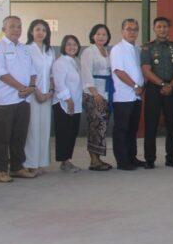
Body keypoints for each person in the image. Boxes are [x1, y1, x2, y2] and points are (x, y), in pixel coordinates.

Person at [0, 16, 37, 183]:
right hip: (5, 101)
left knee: (19, 136)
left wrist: (31, 87)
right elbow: (0, 73)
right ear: (4, 29)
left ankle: (17, 167)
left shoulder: (24, 48)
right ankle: (0, 170)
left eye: (19, 26)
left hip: (24, 100)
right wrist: (22, 88)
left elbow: (33, 71)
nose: (17, 30)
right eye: (12, 26)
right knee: (2, 137)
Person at [140, 17, 173, 169]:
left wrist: (171, 85)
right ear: (154, 29)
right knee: (151, 125)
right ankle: (149, 159)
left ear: (168, 28)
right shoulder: (147, 48)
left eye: (165, 26)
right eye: (159, 26)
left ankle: (171, 158)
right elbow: (146, 70)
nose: (162, 29)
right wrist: (163, 84)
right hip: (154, 89)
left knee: (172, 125)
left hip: (172, 88)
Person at [111, 18, 145, 171]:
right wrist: (135, 86)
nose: (132, 32)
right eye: (129, 29)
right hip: (123, 97)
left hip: (136, 96)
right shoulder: (118, 49)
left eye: (135, 29)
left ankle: (132, 157)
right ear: (122, 31)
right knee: (122, 129)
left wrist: (140, 88)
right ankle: (122, 161)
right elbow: (119, 71)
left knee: (132, 130)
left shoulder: (137, 50)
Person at [23, 19, 55, 175]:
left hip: (47, 95)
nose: (41, 32)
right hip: (32, 95)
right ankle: (31, 163)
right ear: (31, 32)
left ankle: (42, 162)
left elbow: (51, 73)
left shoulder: (50, 51)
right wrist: (37, 92)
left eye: (44, 30)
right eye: (37, 29)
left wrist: (50, 91)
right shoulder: (26, 49)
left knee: (44, 129)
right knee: (33, 130)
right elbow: (27, 73)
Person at [80, 24, 114, 171]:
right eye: (98, 34)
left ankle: (98, 159)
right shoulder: (89, 52)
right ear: (93, 36)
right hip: (93, 94)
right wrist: (95, 93)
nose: (101, 37)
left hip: (106, 93)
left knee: (102, 127)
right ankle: (94, 160)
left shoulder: (106, 51)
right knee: (95, 126)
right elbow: (86, 73)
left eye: (104, 34)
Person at [52, 35, 83, 173]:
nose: (72, 47)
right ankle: (64, 162)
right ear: (64, 46)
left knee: (72, 133)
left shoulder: (76, 61)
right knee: (64, 133)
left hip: (76, 103)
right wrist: (68, 99)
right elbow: (59, 83)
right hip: (63, 103)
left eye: (74, 44)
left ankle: (68, 160)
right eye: (69, 44)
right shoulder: (60, 62)